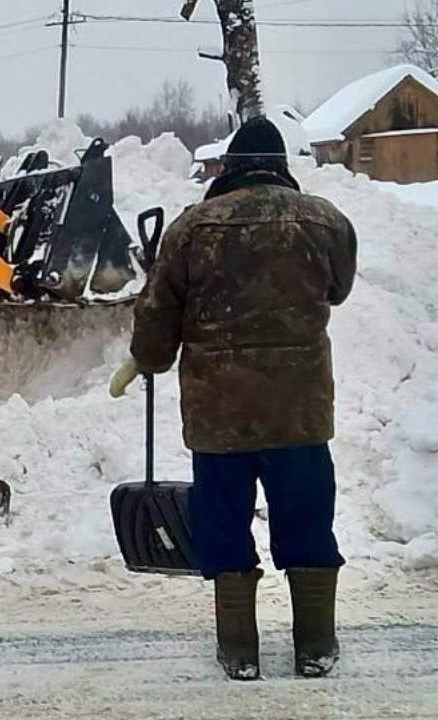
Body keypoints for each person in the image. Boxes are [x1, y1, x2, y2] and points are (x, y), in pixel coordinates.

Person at [112, 117, 357, 680]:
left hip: (219, 413)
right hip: (299, 410)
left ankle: (239, 652)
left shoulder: (193, 227)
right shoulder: (325, 221)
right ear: (281, 167)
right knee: (307, 517)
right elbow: (338, 291)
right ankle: (315, 647)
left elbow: (158, 311)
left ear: (230, 166)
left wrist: (146, 361)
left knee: (223, 519)